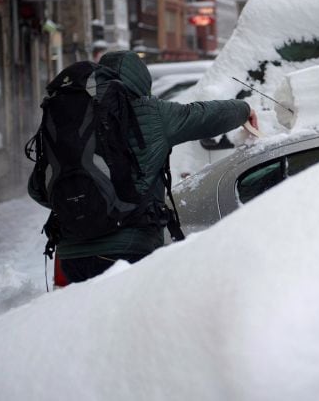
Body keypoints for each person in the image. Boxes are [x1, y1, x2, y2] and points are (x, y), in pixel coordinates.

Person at [28, 50, 257, 283]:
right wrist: (244, 110)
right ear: (141, 81)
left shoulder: (68, 117)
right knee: (132, 318)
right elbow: (203, 115)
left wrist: (80, 204)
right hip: (128, 249)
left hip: (72, 256)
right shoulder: (150, 112)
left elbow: (37, 189)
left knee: (90, 319)